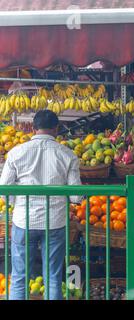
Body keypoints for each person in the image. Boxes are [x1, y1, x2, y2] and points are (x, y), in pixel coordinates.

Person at [0, 110, 81, 300]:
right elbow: (76, 196)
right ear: (57, 129)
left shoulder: (16, 152)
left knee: (19, 277)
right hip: (55, 223)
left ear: (34, 129)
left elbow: (4, 190)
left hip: (23, 221)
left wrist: (16, 204)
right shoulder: (68, 155)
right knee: (53, 277)